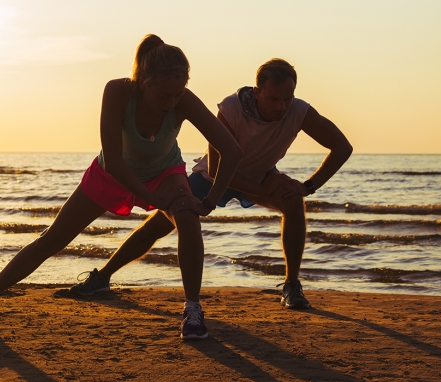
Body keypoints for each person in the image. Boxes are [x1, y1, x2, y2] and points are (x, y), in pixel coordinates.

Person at [0, 34, 243, 340]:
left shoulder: (182, 99)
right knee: (53, 238)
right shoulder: (117, 91)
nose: (170, 104)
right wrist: (154, 199)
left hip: (164, 172)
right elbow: (114, 162)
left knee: (188, 218)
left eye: (176, 95)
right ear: (144, 82)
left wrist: (208, 202)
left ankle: (193, 310)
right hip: (111, 173)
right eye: (163, 96)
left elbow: (231, 151)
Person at [70, 58, 353, 309]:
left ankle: (291, 285)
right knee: (159, 225)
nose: (281, 107)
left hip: (261, 175)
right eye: (273, 99)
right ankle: (103, 277)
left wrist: (307, 186)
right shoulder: (231, 108)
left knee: (293, 201)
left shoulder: (299, 112)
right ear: (257, 93)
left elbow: (342, 147)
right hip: (213, 176)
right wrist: (262, 190)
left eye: (287, 99)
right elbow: (219, 169)